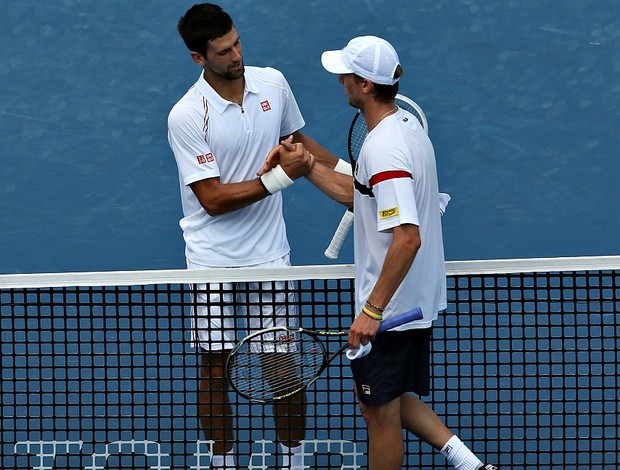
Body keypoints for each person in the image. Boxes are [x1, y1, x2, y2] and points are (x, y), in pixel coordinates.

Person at [264, 36, 499, 470]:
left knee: (378, 415)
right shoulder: (404, 127)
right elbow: (362, 197)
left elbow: (407, 237)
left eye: (346, 74)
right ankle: (471, 464)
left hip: (393, 306)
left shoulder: (383, 148)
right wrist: (306, 166)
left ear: (366, 85)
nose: (340, 80)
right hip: (408, 300)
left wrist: (372, 311)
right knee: (383, 397)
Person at [166, 4, 345, 470]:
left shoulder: (273, 83)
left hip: (269, 255)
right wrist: (281, 179)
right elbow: (213, 199)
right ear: (197, 58)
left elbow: (298, 144)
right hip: (210, 261)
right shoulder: (187, 116)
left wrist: (353, 176)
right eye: (223, 52)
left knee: (281, 365)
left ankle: (293, 460)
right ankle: (223, 463)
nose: (237, 56)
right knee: (213, 368)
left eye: (238, 43)